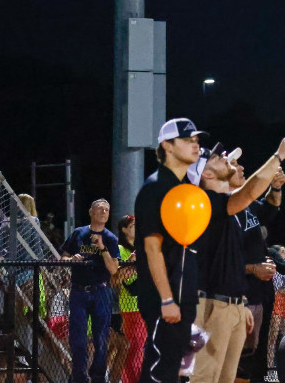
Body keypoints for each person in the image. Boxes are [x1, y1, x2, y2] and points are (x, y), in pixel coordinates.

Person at [189, 137, 285, 383]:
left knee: (230, 377)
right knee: (205, 378)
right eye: (217, 158)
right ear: (206, 173)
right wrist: (278, 155)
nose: (227, 160)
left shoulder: (228, 208)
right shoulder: (206, 202)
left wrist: (240, 302)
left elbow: (229, 259)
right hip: (210, 305)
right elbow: (250, 191)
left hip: (233, 302)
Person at [133, 117, 209, 383]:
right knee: (159, 369)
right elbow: (152, 248)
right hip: (163, 297)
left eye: (197, 140)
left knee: (172, 368)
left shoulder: (184, 187)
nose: (195, 145)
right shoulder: (156, 187)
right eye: (188, 140)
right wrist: (166, 299)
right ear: (167, 145)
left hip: (181, 292)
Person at [60, 198, 122, 383]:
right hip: (78, 291)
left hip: (100, 291)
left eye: (107, 210)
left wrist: (102, 248)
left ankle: (98, 377)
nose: (104, 212)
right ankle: (79, 376)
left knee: (101, 338)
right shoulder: (79, 233)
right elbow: (62, 257)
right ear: (91, 212)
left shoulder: (110, 238)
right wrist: (71, 260)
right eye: (100, 209)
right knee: (77, 339)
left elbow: (113, 269)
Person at [237, 165, 285, 383]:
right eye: (235, 168)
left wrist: (275, 188)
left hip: (260, 292)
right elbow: (213, 261)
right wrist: (253, 268)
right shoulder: (223, 210)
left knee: (257, 356)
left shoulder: (247, 205)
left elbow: (270, 207)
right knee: (240, 359)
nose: (241, 169)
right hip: (240, 294)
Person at [112, 215, 146, 383]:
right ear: (124, 229)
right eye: (133, 225)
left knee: (141, 349)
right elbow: (119, 278)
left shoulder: (143, 247)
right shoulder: (120, 249)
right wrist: (133, 262)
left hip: (147, 304)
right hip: (131, 306)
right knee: (134, 349)